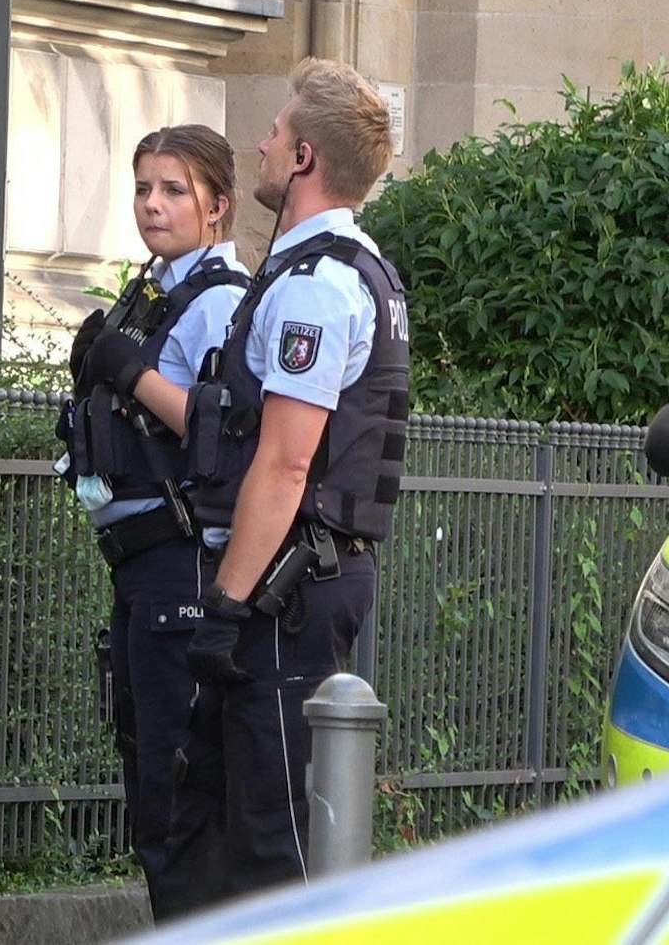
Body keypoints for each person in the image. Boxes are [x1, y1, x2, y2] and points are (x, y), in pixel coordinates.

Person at [161, 58, 410, 916]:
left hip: (285, 591)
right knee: (244, 829)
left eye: (273, 129)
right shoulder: (334, 270)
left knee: (276, 842)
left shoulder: (317, 285)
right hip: (294, 579)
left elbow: (286, 461)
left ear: (303, 157)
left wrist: (226, 610)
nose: (261, 142)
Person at [62, 125, 250, 919]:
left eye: (174, 189)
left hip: (182, 563)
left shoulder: (221, 301)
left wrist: (129, 371)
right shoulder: (158, 290)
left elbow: (220, 428)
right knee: (149, 783)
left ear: (217, 204)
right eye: (143, 187)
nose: (152, 203)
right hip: (136, 568)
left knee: (178, 790)